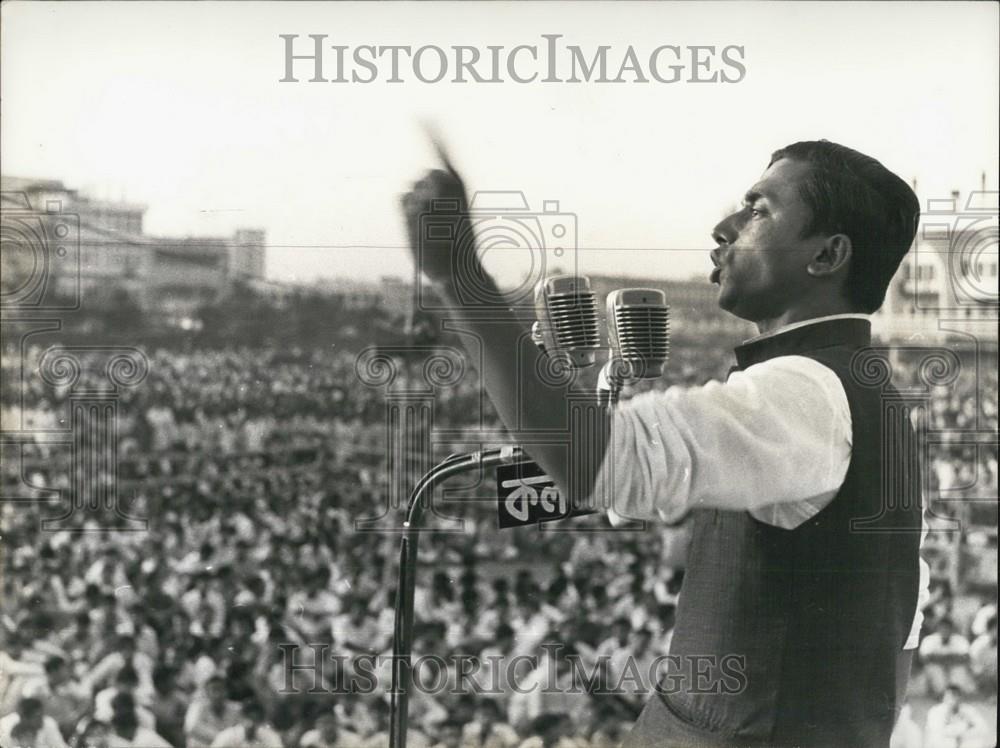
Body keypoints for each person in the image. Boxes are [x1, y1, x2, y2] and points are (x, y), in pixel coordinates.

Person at [401, 139, 925, 746]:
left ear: (828, 255)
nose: (724, 226)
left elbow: (592, 460)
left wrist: (460, 276)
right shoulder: (854, 387)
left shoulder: (806, 391)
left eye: (758, 210)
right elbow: (898, 613)